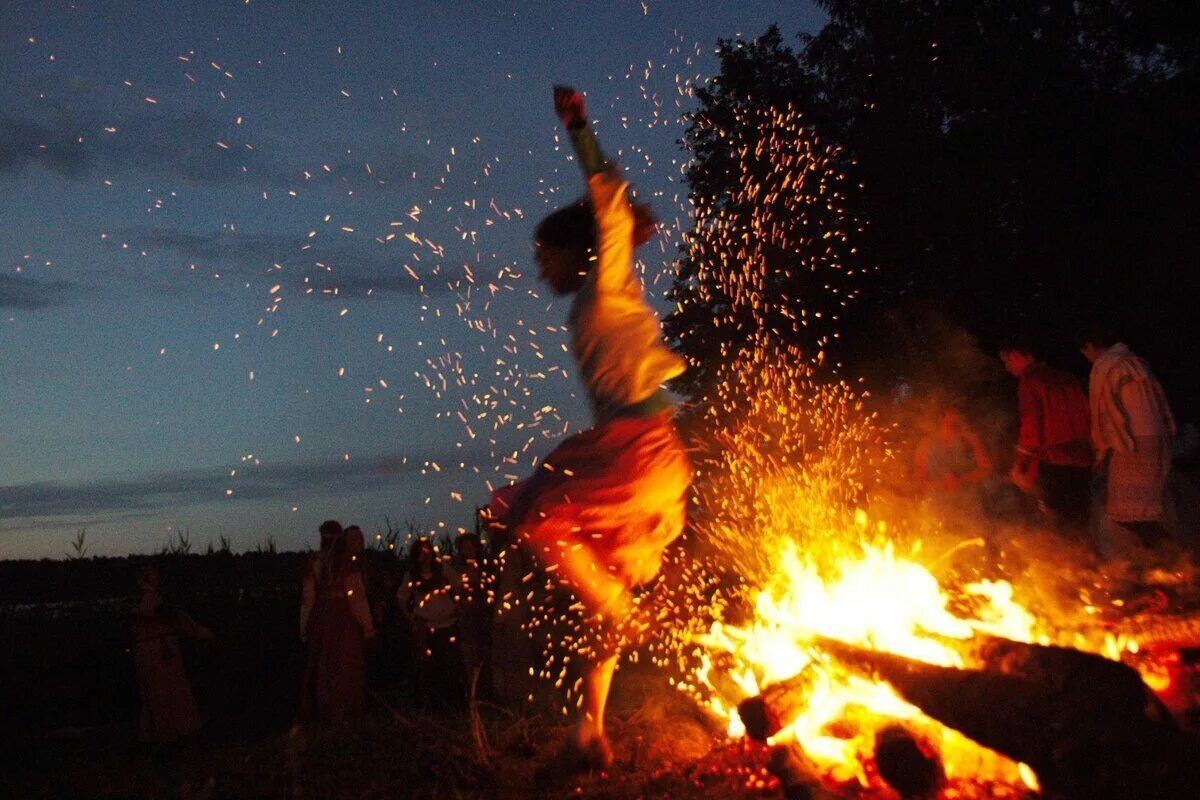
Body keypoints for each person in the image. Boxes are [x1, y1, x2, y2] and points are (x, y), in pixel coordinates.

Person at [488, 86, 692, 771]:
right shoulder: (589, 301)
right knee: (600, 604)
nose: (537, 269)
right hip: (643, 457)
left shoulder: (608, 282)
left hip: (639, 453)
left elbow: (610, 201)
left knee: (536, 513)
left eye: (542, 256)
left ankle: (616, 609)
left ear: (573, 251)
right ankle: (589, 730)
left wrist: (579, 128)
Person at [1080, 325, 1177, 549]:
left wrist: (1101, 452)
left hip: (1132, 443)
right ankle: (1164, 559)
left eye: (1085, 351)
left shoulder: (1106, 367)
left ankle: (1173, 557)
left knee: (1130, 515)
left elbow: (1105, 414)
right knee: (1144, 512)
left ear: (1091, 346)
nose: (1086, 357)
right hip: (1157, 440)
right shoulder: (1136, 362)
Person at [999, 341, 1092, 530]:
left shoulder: (1030, 381)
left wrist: (1019, 466)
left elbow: (1031, 429)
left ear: (1016, 354)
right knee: (1078, 524)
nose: (1007, 367)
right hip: (1082, 461)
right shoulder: (1068, 379)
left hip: (1053, 462)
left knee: (1054, 524)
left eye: (1007, 361)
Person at [298, 520, 375, 725]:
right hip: (343, 619)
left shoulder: (314, 561)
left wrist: (304, 626)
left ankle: (327, 712)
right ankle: (343, 712)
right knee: (344, 663)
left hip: (322, 618)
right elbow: (357, 598)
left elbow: (308, 599)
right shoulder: (346, 562)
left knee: (324, 664)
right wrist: (368, 626)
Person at [132, 564, 215, 743]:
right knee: (166, 691)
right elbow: (178, 620)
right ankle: (171, 733)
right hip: (159, 651)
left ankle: (159, 734)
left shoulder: (146, 600)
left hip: (151, 649)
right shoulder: (153, 600)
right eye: (152, 575)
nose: (156, 578)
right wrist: (202, 633)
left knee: (157, 693)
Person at [396, 537, 464, 708]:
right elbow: (401, 597)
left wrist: (456, 604)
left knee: (448, 664)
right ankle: (429, 704)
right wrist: (411, 617)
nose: (425, 555)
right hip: (425, 626)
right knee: (427, 666)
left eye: (427, 551)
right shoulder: (412, 574)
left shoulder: (442, 568)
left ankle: (450, 703)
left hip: (447, 623)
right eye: (421, 552)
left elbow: (458, 583)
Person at [914, 404, 993, 496]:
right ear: (941, 419)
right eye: (948, 419)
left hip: (969, 498)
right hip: (937, 501)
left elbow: (987, 470)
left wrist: (961, 478)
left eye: (956, 417)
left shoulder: (971, 440)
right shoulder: (926, 445)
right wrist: (940, 484)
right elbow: (919, 482)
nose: (952, 421)